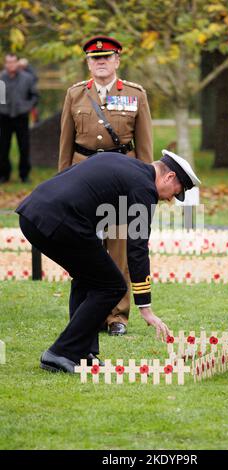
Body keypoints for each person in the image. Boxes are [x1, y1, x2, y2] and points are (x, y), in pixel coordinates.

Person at [15, 149, 201, 373]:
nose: (170, 198)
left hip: (35, 212)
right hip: (58, 219)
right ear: (169, 177)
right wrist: (145, 307)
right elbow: (137, 248)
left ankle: (82, 352)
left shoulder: (121, 162)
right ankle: (62, 352)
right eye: (175, 192)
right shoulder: (145, 188)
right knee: (112, 286)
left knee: (90, 278)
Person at [58, 35, 153, 337]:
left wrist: (147, 184)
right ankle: (88, 313)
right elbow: (65, 143)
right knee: (84, 248)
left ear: (117, 61)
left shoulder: (135, 95)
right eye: (94, 58)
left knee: (119, 247)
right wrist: (61, 183)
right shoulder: (75, 95)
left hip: (121, 183)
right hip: (82, 181)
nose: (100, 62)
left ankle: (116, 317)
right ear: (87, 62)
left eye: (106, 57)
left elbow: (145, 146)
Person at [0, 53, 39, 183]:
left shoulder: (27, 78)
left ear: (18, 63)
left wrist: (26, 107)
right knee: (3, 147)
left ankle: (24, 175)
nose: (11, 65)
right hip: (4, 117)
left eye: (13, 62)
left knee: (24, 147)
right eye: (8, 62)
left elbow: (34, 96)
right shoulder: (1, 78)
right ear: (5, 64)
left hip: (21, 117)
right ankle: (4, 175)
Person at [18, 58, 39, 124]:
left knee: (33, 108)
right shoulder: (18, 71)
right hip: (22, 93)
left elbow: (35, 79)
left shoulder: (30, 71)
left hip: (30, 93)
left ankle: (36, 122)